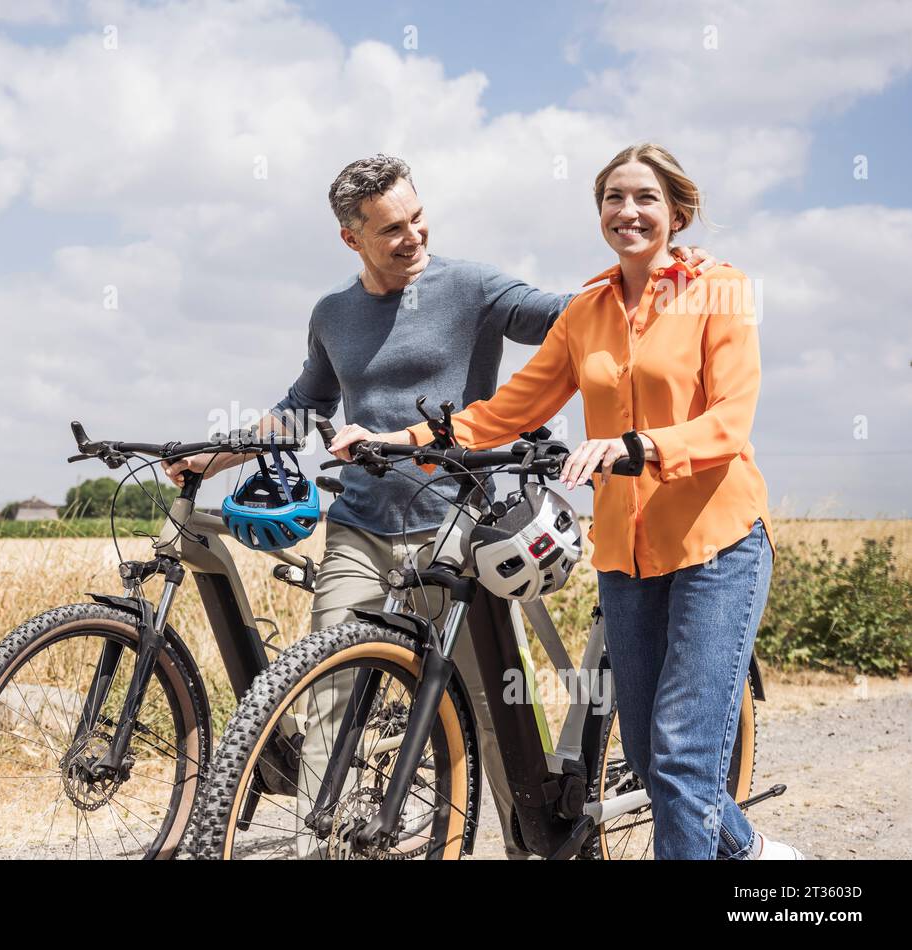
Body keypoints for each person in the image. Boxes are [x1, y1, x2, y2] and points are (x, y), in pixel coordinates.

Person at [165, 153, 715, 858]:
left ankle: (533, 842)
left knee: (493, 712)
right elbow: (305, 405)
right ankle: (320, 846)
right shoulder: (334, 313)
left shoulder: (473, 288)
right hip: (361, 528)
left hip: (459, 530)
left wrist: (662, 265)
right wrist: (219, 455)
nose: (413, 236)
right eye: (392, 228)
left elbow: (577, 317)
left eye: (418, 217)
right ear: (351, 238)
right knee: (328, 687)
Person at [331, 143, 803, 859]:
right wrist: (398, 440)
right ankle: (756, 857)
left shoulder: (719, 290)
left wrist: (634, 446)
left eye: (645, 198)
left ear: (677, 211)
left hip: (718, 545)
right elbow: (505, 411)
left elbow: (729, 423)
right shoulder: (587, 311)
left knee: (678, 760)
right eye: (614, 198)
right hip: (627, 555)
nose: (629, 212)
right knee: (651, 763)